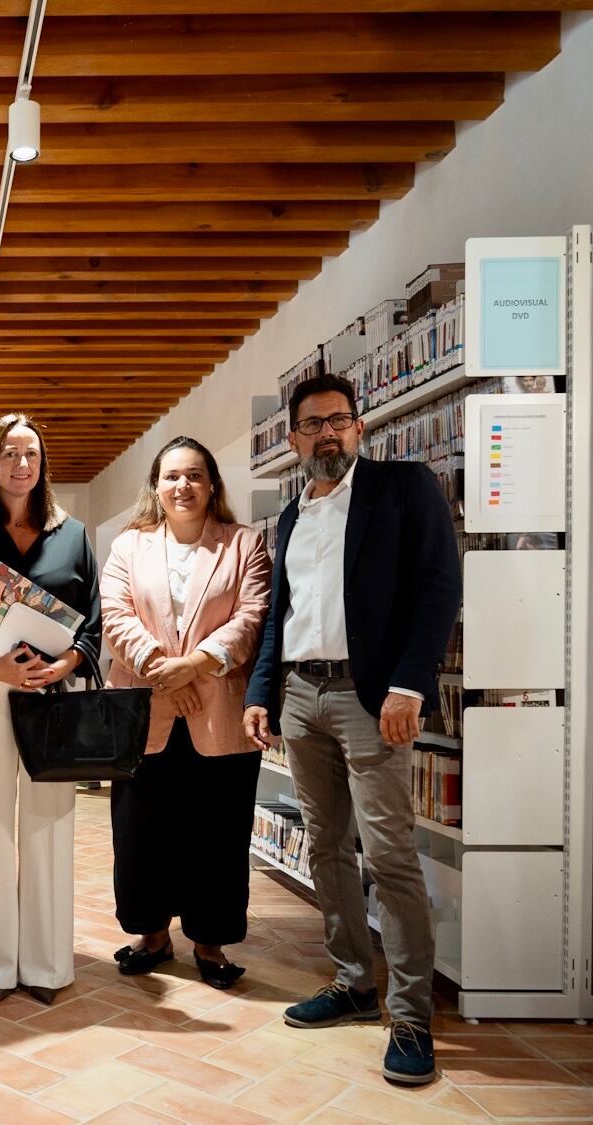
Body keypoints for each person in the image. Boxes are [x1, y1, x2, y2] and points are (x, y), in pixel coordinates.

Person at [244, 372, 461, 1086]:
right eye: (311, 425)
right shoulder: (289, 516)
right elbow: (280, 616)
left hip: (372, 698)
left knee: (390, 853)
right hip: (301, 696)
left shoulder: (403, 488)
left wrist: (408, 683)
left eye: (338, 420)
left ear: (358, 427)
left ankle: (409, 1015)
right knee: (326, 846)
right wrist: (261, 692)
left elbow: (436, 586)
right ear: (292, 439)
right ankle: (350, 981)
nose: (326, 434)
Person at [100, 437, 271, 990]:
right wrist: (162, 670)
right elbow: (115, 615)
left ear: (213, 484)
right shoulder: (129, 546)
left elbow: (251, 616)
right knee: (139, 830)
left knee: (218, 832)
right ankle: (150, 935)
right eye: (172, 476)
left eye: (195, 475)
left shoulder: (245, 544)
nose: (183, 486)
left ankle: (210, 941)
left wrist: (195, 663)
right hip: (146, 712)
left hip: (218, 710)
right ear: (156, 486)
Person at [0, 414, 101, 1006]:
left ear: (43, 464)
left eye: (31, 453)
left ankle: (45, 964)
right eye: (9, 453)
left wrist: (70, 664)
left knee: (49, 820)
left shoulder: (74, 533)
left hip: (52, 691)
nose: (21, 464)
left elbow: (93, 614)